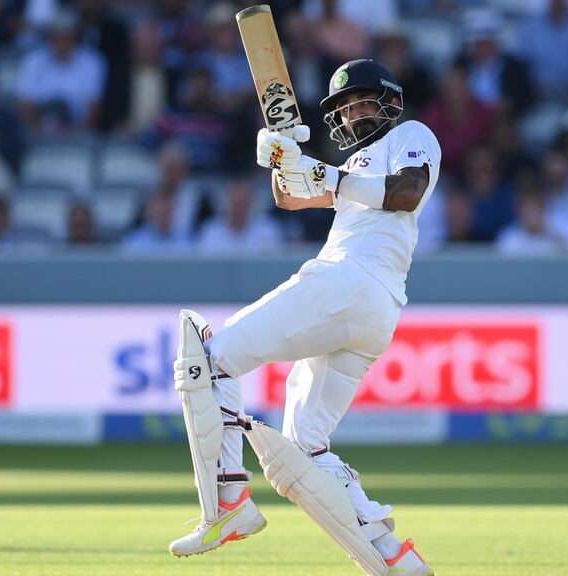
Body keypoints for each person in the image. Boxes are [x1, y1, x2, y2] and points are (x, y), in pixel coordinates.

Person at [167, 59, 438, 576]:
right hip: (374, 312)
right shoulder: (354, 171)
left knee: (210, 361)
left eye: (362, 102)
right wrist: (280, 156)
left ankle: (227, 505)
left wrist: (326, 172)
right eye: (345, 107)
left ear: (390, 101)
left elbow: (408, 191)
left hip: (349, 281)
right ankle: (394, 557)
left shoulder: (412, 134)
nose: (355, 115)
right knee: (301, 450)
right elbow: (291, 196)